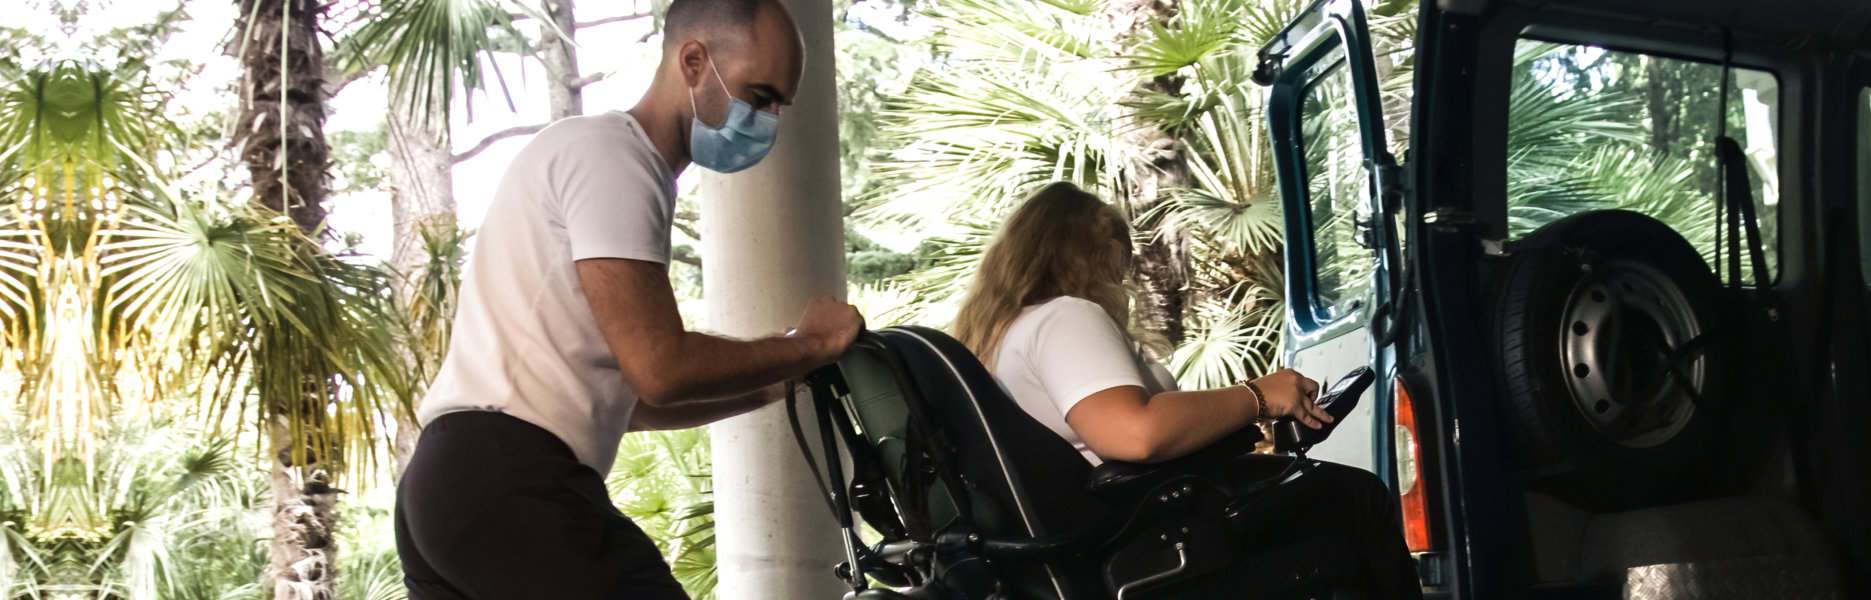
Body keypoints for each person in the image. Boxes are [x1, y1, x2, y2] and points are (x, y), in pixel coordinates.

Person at [393, 0, 864, 597]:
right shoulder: (616, 159)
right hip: (509, 481)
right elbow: (661, 371)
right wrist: (812, 343)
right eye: (760, 95)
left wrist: (782, 379)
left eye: (778, 105)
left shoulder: (592, 156)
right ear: (694, 62)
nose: (769, 119)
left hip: (445, 490)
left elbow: (636, 402)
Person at [950, 182, 1420, 598]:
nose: (1122, 275)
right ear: (1092, 253)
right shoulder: (1065, 316)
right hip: (1152, 534)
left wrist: (1237, 414)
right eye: (1118, 256)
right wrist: (1257, 394)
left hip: (1102, 532)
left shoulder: (996, 340)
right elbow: (1135, 433)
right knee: (1359, 497)